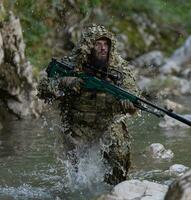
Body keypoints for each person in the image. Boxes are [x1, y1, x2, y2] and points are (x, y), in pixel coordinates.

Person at [37, 24, 139, 185]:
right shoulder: (72, 63)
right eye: (98, 44)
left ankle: (114, 189)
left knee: (119, 152)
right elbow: (43, 90)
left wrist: (129, 105)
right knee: (77, 176)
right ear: (88, 46)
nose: (103, 48)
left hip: (108, 123)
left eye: (106, 44)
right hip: (77, 124)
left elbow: (133, 98)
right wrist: (64, 82)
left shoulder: (119, 68)